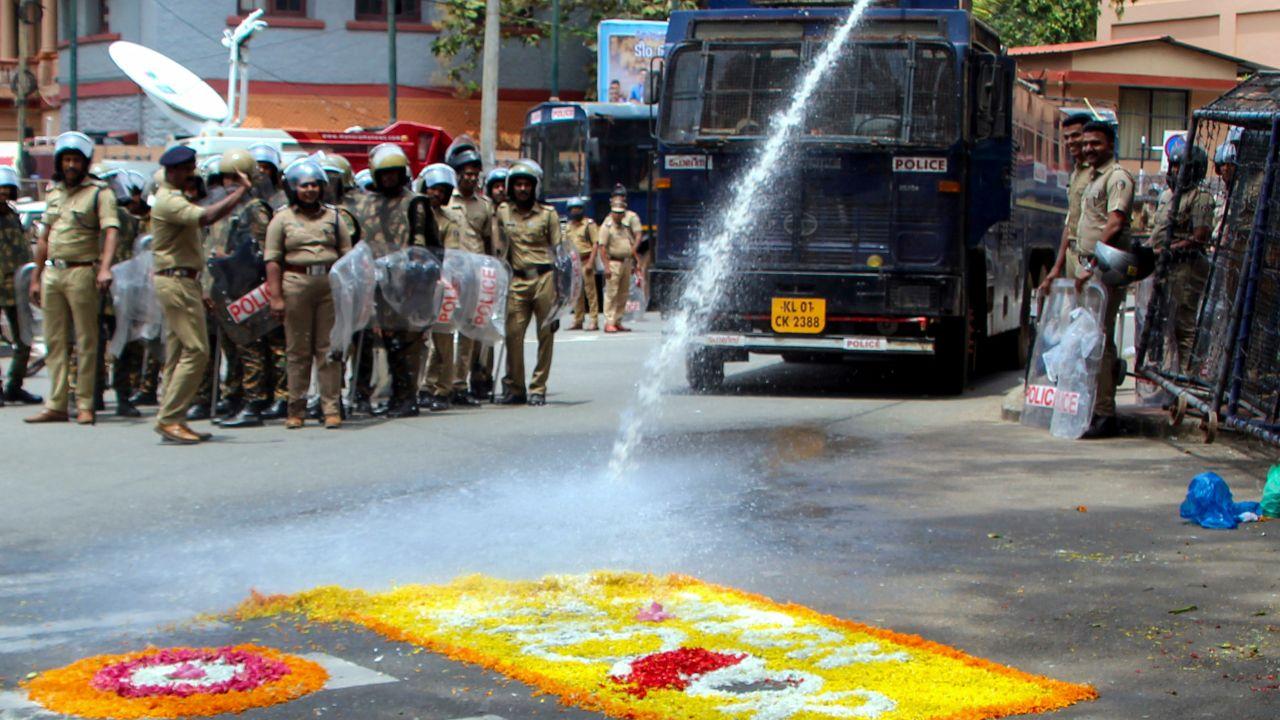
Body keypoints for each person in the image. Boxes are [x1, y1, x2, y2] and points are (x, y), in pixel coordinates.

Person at [149, 145, 253, 444]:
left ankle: (173, 416)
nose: (192, 175)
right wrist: (239, 193)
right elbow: (207, 217)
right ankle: (169, 418)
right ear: (174, 171)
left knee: (179, 352)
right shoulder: (169, 200)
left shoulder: (175, 197)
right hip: (177, 281)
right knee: (197, 350)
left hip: (182, 280)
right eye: (187, 169)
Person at [24, 132, 120, 425]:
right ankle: (56, 403)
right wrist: (36, 277)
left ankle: (85, 403)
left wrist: (105, 268)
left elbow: (111, 231)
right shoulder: (53, 193)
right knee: (54, 340)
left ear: (85, 163)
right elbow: (44, 237)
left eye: (76, 160)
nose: (70, 165)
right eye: (66, 159)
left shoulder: (99, 193)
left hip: (82, 271)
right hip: (54, 271)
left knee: (86, 341)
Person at [350, 142, 439, 418]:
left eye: (394, 173)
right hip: (376, 283)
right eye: (384, 174)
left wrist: (419, 282)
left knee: (408, 342)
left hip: (409, 284)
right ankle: (391, 395)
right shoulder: (366, 205)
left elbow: (425, 246)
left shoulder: (415, 204)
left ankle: (407, 396)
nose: (390, 178)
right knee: (386, 341)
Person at [265, 159, 351, 429]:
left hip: (328, 286)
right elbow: (273, 260)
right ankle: (296, 409)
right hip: (296, 284)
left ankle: (330, 408)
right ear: (293, 188)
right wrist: (276, 297)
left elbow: (348, 255)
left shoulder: (335, 217)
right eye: (304, 186)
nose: (310, 190)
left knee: (328, 350)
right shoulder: (282, 219)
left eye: (315, 185)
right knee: (298, 350)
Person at [203, 148, 285, 428]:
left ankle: (255, 402)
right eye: (226, 178)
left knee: (252, 347)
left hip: (250, 287)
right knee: (234, 347)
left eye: (236, 179)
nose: (230, 184)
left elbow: (265, 250)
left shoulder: (256, 208)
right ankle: (235, 396)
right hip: (227, 286)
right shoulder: (225, 208)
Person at [1074, 121, 1135, 439]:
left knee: (1100, 342)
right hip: (1090, 268)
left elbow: (1114, 224)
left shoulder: (1117, 178)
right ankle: (1096, 408)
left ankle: (1104, 414)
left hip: (1105, 268)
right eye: (1085, 144)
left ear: (1110, 144)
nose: (1088, 149)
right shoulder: (1093, 178)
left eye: (1095, 143)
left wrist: (1093, 264)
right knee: (1094, 341)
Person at [495, 160, 561, 406]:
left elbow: (560, 254)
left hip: (545, 279)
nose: (523, 189)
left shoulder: (548, 214)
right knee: (513, 335)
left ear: (535, 188)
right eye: (518, 185)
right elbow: (497, 245)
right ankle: (515, 387)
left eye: (527, 185)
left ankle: (538, 387)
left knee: (546, 335)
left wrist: (561, 293)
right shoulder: (503, 212)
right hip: (517, 280)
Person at [1148, 144, 1214, 370]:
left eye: (1181, 166)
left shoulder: (1200, 197)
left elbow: (1199, 238)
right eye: (1173, 165)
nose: (1175, 171)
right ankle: (1169, 375)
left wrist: (1169, 249)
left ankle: (1188, 379)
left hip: (1187, 268)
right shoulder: (1167, 195)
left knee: (1184, 325)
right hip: (1163, 267)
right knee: (1164, 326)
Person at [445, 137, 492, 404]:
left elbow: (489, 242)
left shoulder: (483, 206)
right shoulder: (443, 200)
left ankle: (459, 384)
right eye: (466, 174)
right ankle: (435, 385)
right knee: (441, 332)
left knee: (468, 333)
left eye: (475, 175)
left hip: (475, 277)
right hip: (448, 277)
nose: (471, 179)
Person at [95, 169, 144, 417]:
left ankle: (97, 395)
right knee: (118, 343)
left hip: (108, 286)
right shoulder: (126, 219)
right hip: (116, 287)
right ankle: (119, 396)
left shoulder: (124, 219)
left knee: (98, 343)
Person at [419, 163, 467, 412]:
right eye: (432, 189)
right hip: (415, 286)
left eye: (442, 190)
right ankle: (423, 386)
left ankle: (443, 388)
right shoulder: (414, 213)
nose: (436, 194)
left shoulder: (451, 220)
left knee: (443, 340)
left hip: (442, 284)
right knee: (418, 342)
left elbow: (452, 254)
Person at [1040, 113, 1094, 293]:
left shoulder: (1099, 173)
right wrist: (1056, 267)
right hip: (1074, 255)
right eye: (1066, 137)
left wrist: (1091, 265)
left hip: (1090, 257)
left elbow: (1110, 224)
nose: (1070, 141)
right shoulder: (1076, 173)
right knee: (1076, 316)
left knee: (1092, 317)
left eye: (1076, 135)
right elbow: (1070, 223)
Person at [0, 165, 40, 407]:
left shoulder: (14, 216)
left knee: (24, 339)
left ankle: (14, 386)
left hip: (15, 286)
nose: (3, 196)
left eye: (7, 191)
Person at [599, 194, 643, 333]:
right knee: (611, 293)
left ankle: (618, 320)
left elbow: (631, 244)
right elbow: (602, 247)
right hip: (614, 263)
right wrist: (606, 266)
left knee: (623, 293)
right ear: (612, 213)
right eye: (616, 213)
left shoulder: (624, 228)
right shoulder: (607, 227)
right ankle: (609, 321)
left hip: (626, 262)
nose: (618, 216)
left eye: (621, 213)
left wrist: (636, 263)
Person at [564, 197, 600, 330]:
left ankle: (594, 320)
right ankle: (578, 319)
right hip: (574, 263)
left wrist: (591, 262)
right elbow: (565, 244)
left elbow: (595, 244)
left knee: (590, 292)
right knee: (576, 293)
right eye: (573, 209)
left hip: (586, 261)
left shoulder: (588, 224)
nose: (576, 211)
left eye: (578, 208)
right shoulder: (567, 227)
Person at [249, 143, 288, 209]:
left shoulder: (282, 197)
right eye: (257, 167)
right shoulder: (244, 194)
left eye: (266, 167)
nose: (261, 170)